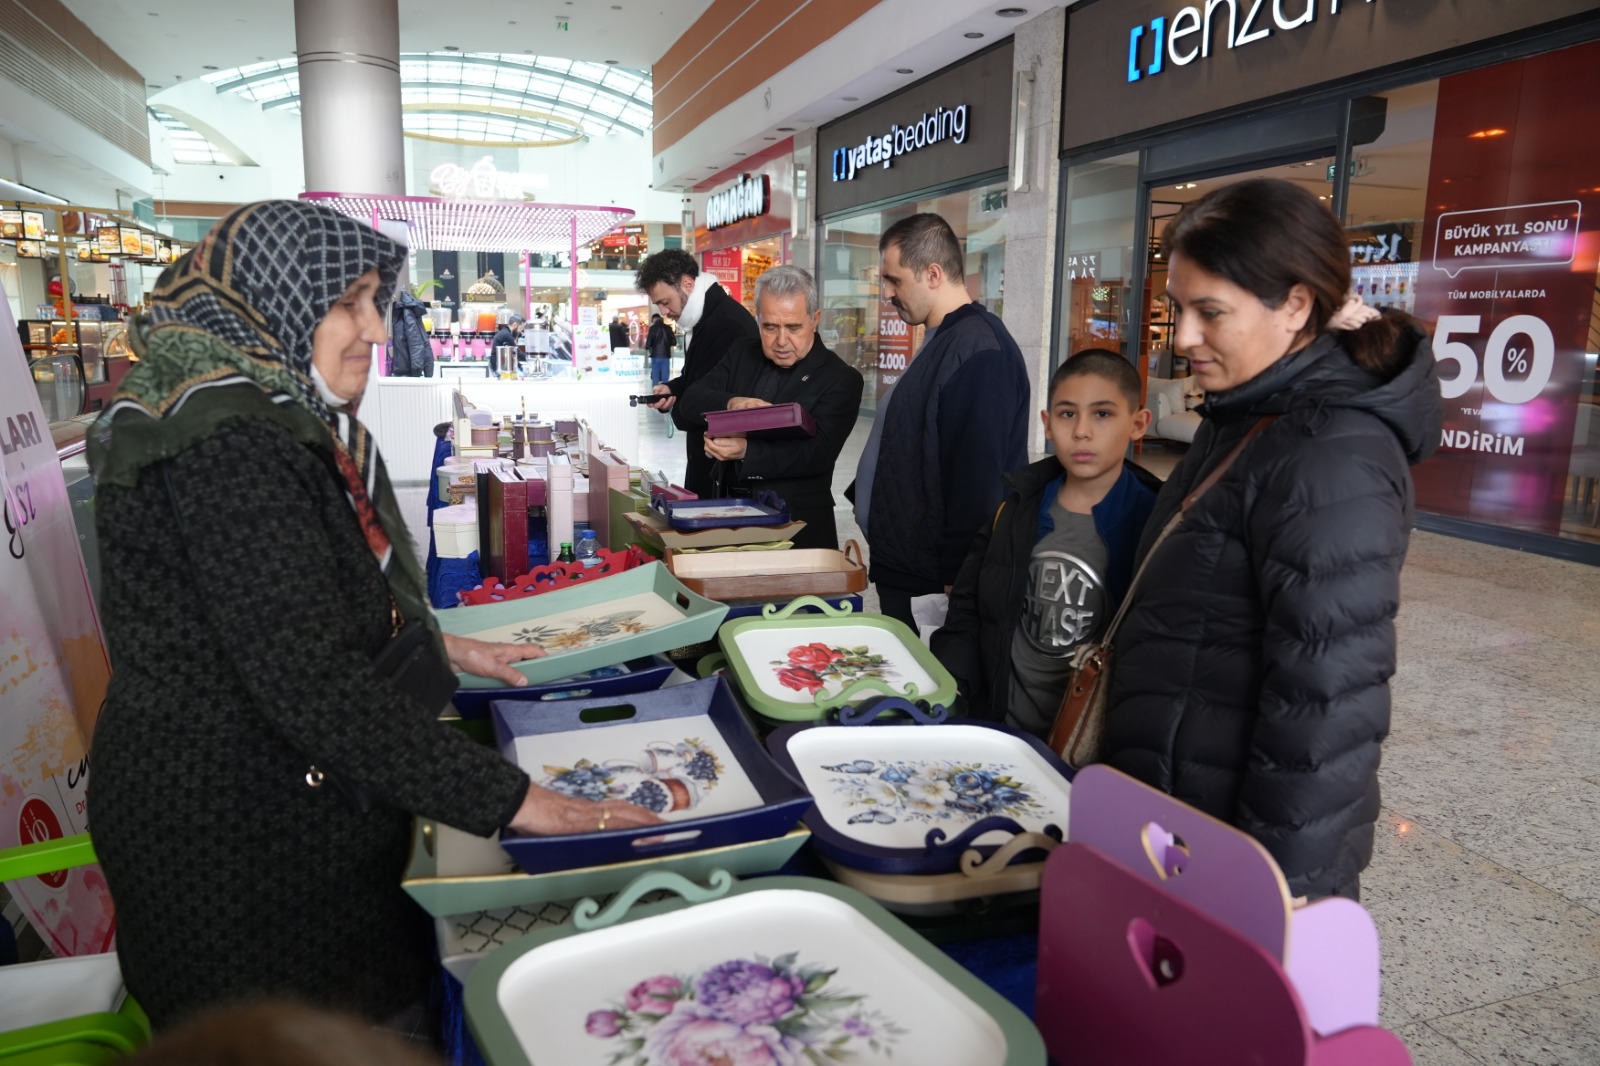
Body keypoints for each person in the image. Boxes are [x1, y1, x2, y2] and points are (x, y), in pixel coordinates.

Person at [85, 200, 659, 1032]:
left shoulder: (257, 408)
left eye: (373, 301)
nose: (373, 329)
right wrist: (520, 803)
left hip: (273, 828)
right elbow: (307, 682)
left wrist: (429, 641)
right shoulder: (226, 440)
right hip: (238, 860)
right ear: (272, 299)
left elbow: (284, 607)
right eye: (345, 303)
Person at [1100, 178, 1442, 902]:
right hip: (1181, 816)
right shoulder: (1247, 416)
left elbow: (1327, 705)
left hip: (1238, 861)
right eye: (1177, 310)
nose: (1184, 338)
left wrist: (1280, 897)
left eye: (1210, 312)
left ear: (1294, 305)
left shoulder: (1332, 454)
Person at [932, 350, 1159, 736]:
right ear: (1047, 424)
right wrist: (959, 687)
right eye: (1067, 413)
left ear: (1138, 424)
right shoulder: (1016, 508)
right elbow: (969, 607)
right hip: (1001, 727)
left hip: (1091, 746)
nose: (1082, 431)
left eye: (1102, 414)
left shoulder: (1155, 524)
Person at [851, 212, 1031, 631]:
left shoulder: (979, 350)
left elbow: (978, 477)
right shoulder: (947, 338)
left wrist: (958, 577)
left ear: (933, 274)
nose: (887, 293)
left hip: (934, 582)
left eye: (894, 280)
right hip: (910, 566)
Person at [677, 266, 864, 550]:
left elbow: (818, 454)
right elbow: (690, 401)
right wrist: (732, 403)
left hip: (796, 527)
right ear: (758, 320)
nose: (781, 341)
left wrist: (746, 452)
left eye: (793, 327)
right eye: (770, 327)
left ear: (814, 319)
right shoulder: (742, 352)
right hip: (728, 519)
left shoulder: (841, 378)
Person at [634, 248, 759, 497]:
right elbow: (702, 376)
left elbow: (715, 398)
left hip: (724, 469)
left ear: (688, 284)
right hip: (709, 456)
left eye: (665, 302)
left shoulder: (726, 323)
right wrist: (673, 389)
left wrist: (679, 408)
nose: (664, 312)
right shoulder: (703, 317)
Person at [388, 289, 433, 377]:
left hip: (406, 371)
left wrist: (417, 371)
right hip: (409, 369)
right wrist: (427, 374)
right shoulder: (411, 309)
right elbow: (420, 343)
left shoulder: (408, 310)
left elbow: (416, 343)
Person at [646, 312, 675, 389]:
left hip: (655, 355)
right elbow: (674, 342)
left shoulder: (652, 328)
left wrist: (649, 348)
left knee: (655, 374)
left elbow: (648, 343)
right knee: (665, 375)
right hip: (665, 355)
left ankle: (655, 391)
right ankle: (664, 391)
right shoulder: (668, 328)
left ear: (654, 320)